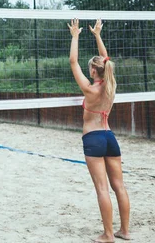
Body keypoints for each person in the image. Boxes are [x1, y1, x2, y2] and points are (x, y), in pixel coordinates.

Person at [68, 19, 130, 242]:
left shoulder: (90, 89)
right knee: (119, 187)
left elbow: (72, 61)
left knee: (102, 189)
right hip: (109, 137)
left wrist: (75, 35)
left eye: (90, 68)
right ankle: (125, 231)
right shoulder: (110, 86)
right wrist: (97, 35)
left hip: (93, 139)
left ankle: (108, 234)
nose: (88, 69)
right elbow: (107, 60)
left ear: (94, 70)